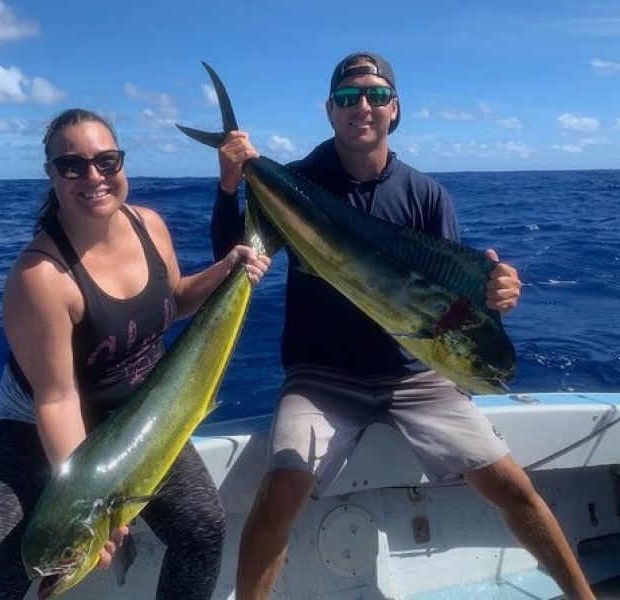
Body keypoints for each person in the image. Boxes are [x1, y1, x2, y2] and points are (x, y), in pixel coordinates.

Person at [211, 52, 595, 600]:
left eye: (373, 95)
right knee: (280, 493)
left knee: (514, 487)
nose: (360, 107)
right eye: (347, 98)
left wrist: (497, 289)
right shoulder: (293, 184)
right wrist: (230, 187)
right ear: (329, 111)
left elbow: (457, 293)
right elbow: (232, 258)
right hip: (323, 378)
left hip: (417, 375)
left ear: (394, 109)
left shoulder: (427, 195)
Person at [0, 108, 270, 600]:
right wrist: (89, 506)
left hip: (135, 414)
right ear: (51, 175)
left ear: (122, 164)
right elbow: (56, 401)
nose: (94, 177)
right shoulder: (39, 277)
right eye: (73, 166)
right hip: (37, 425)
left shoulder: (149, 225)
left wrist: (228, 269)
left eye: (107, 161)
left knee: (202, 528)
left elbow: (178, 300)